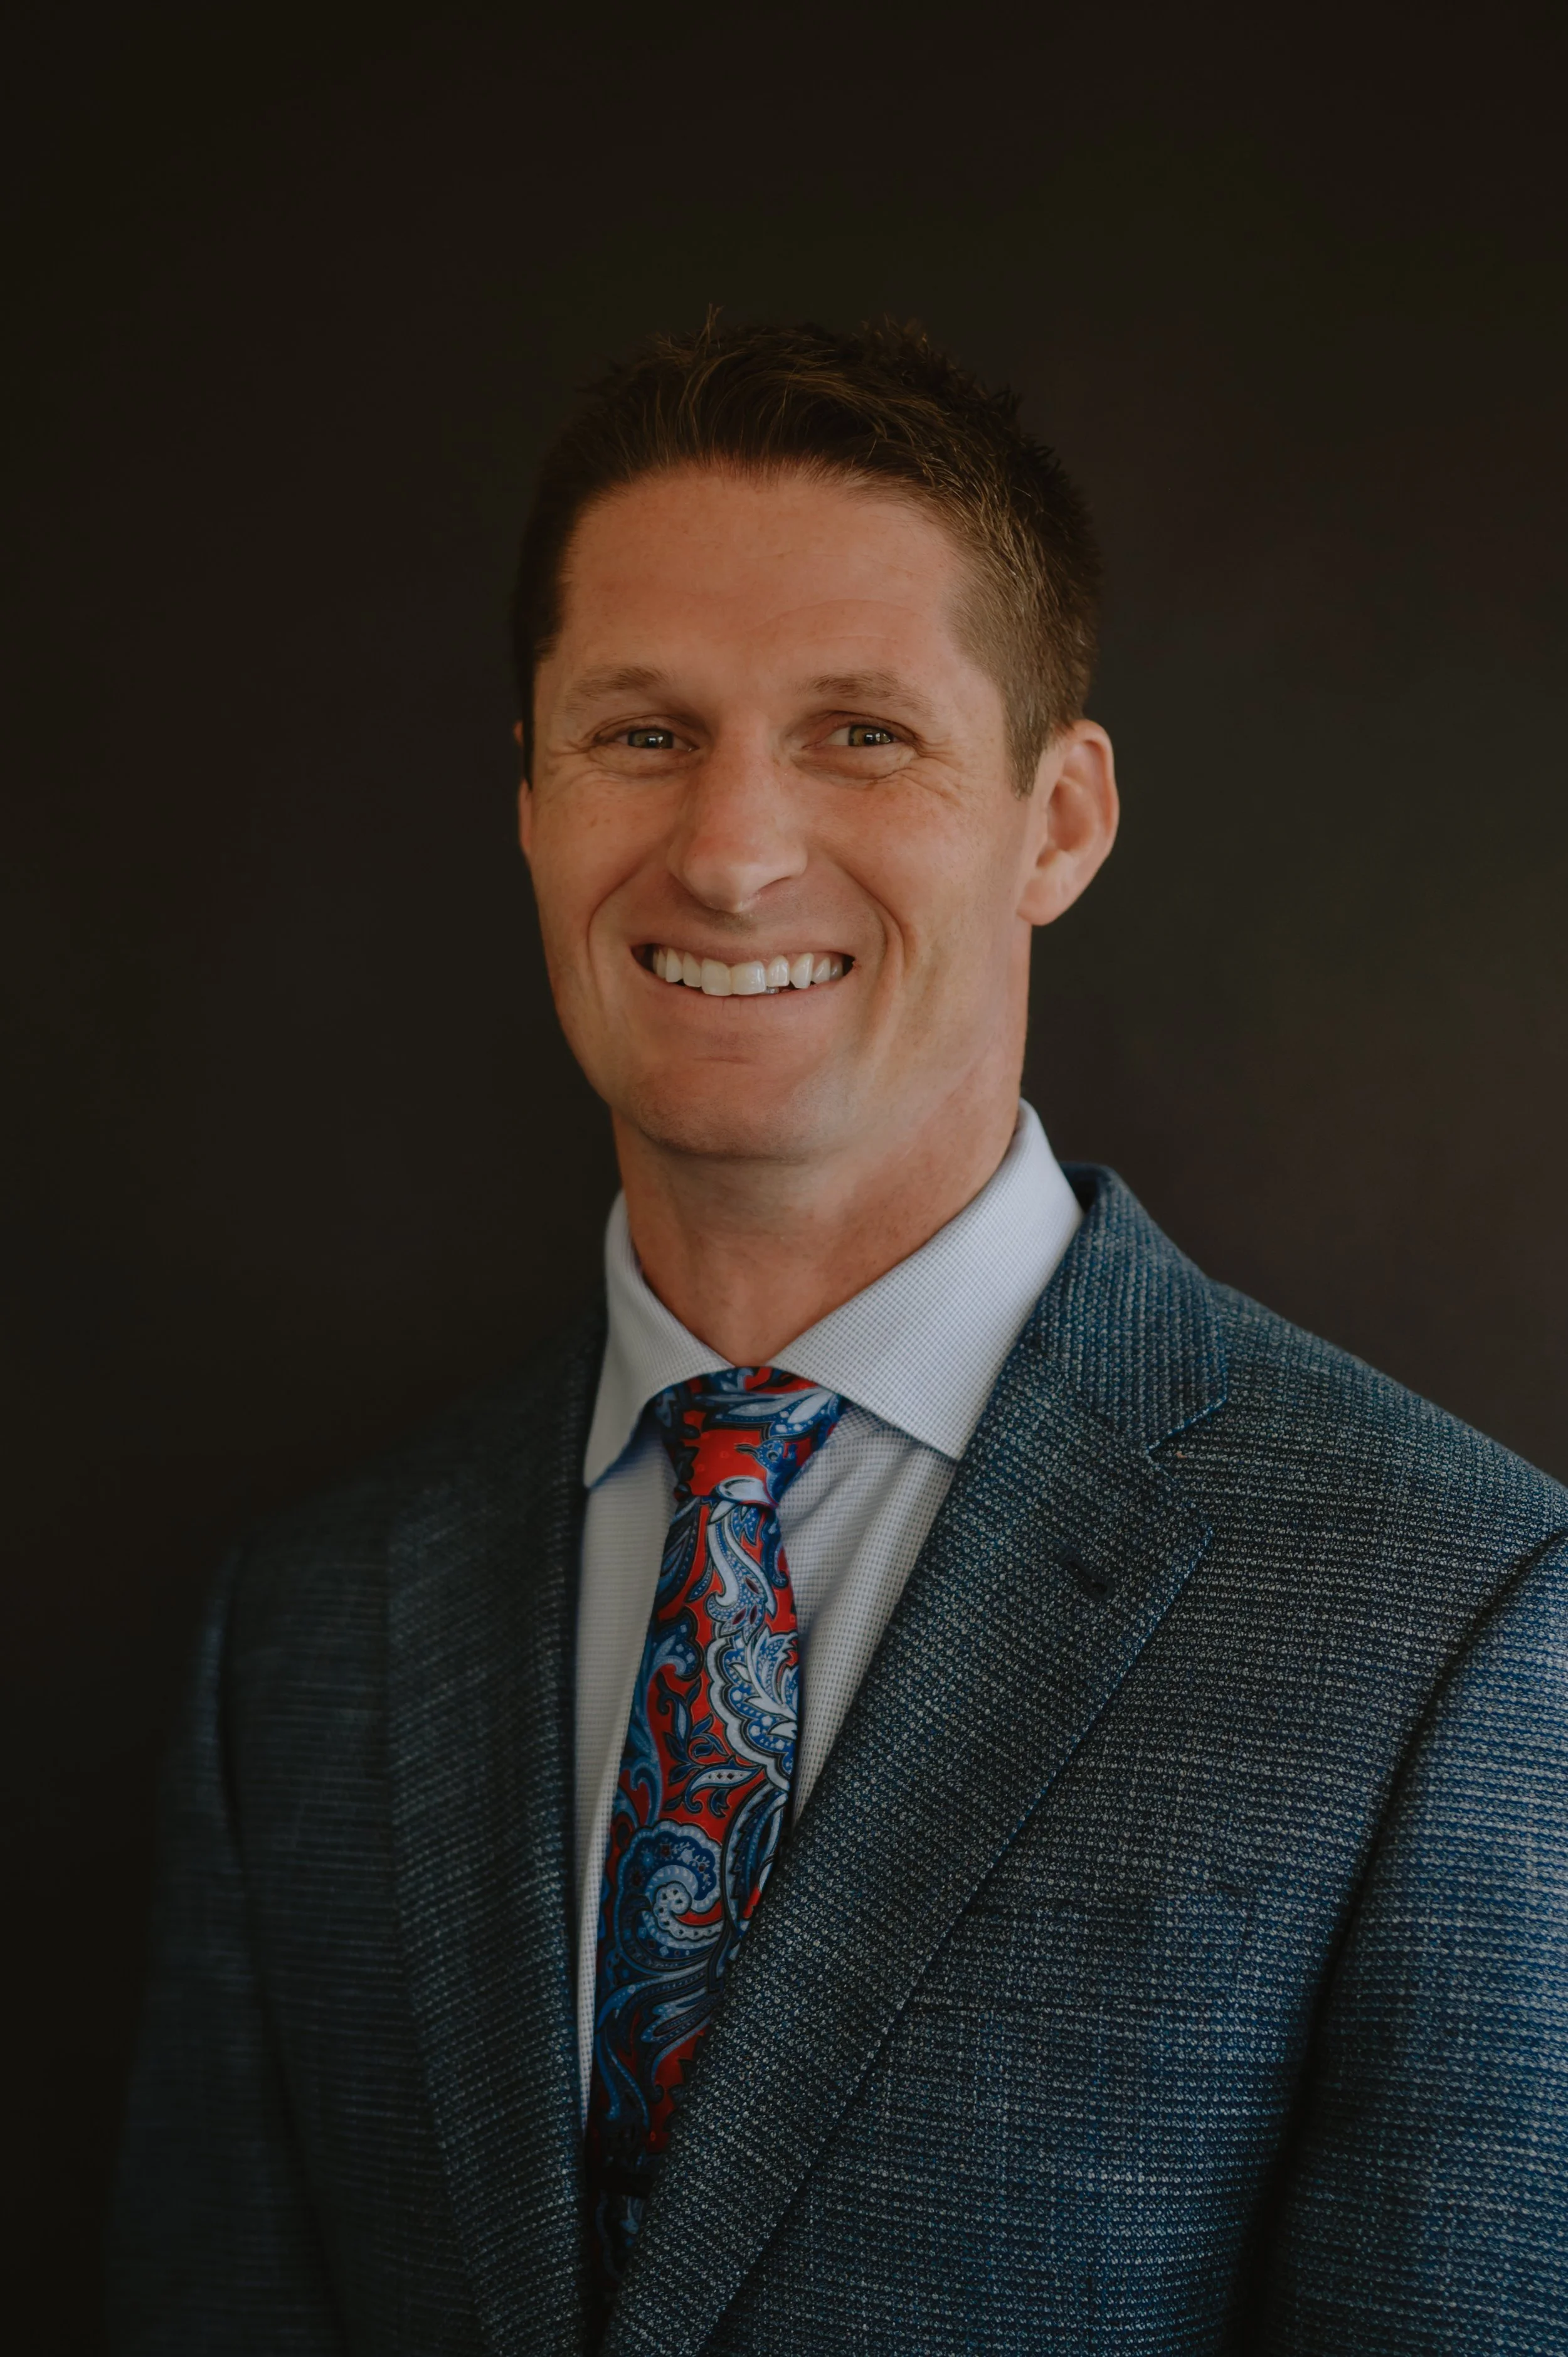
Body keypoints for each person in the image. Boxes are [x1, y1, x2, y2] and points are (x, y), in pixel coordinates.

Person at [110, 319, 1568, 2356]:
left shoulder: (1448, 1613)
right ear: (527, 798)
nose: (726, 850)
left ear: (1055, 819)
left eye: (861, 734)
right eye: (640, 731)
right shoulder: (308, 1630)